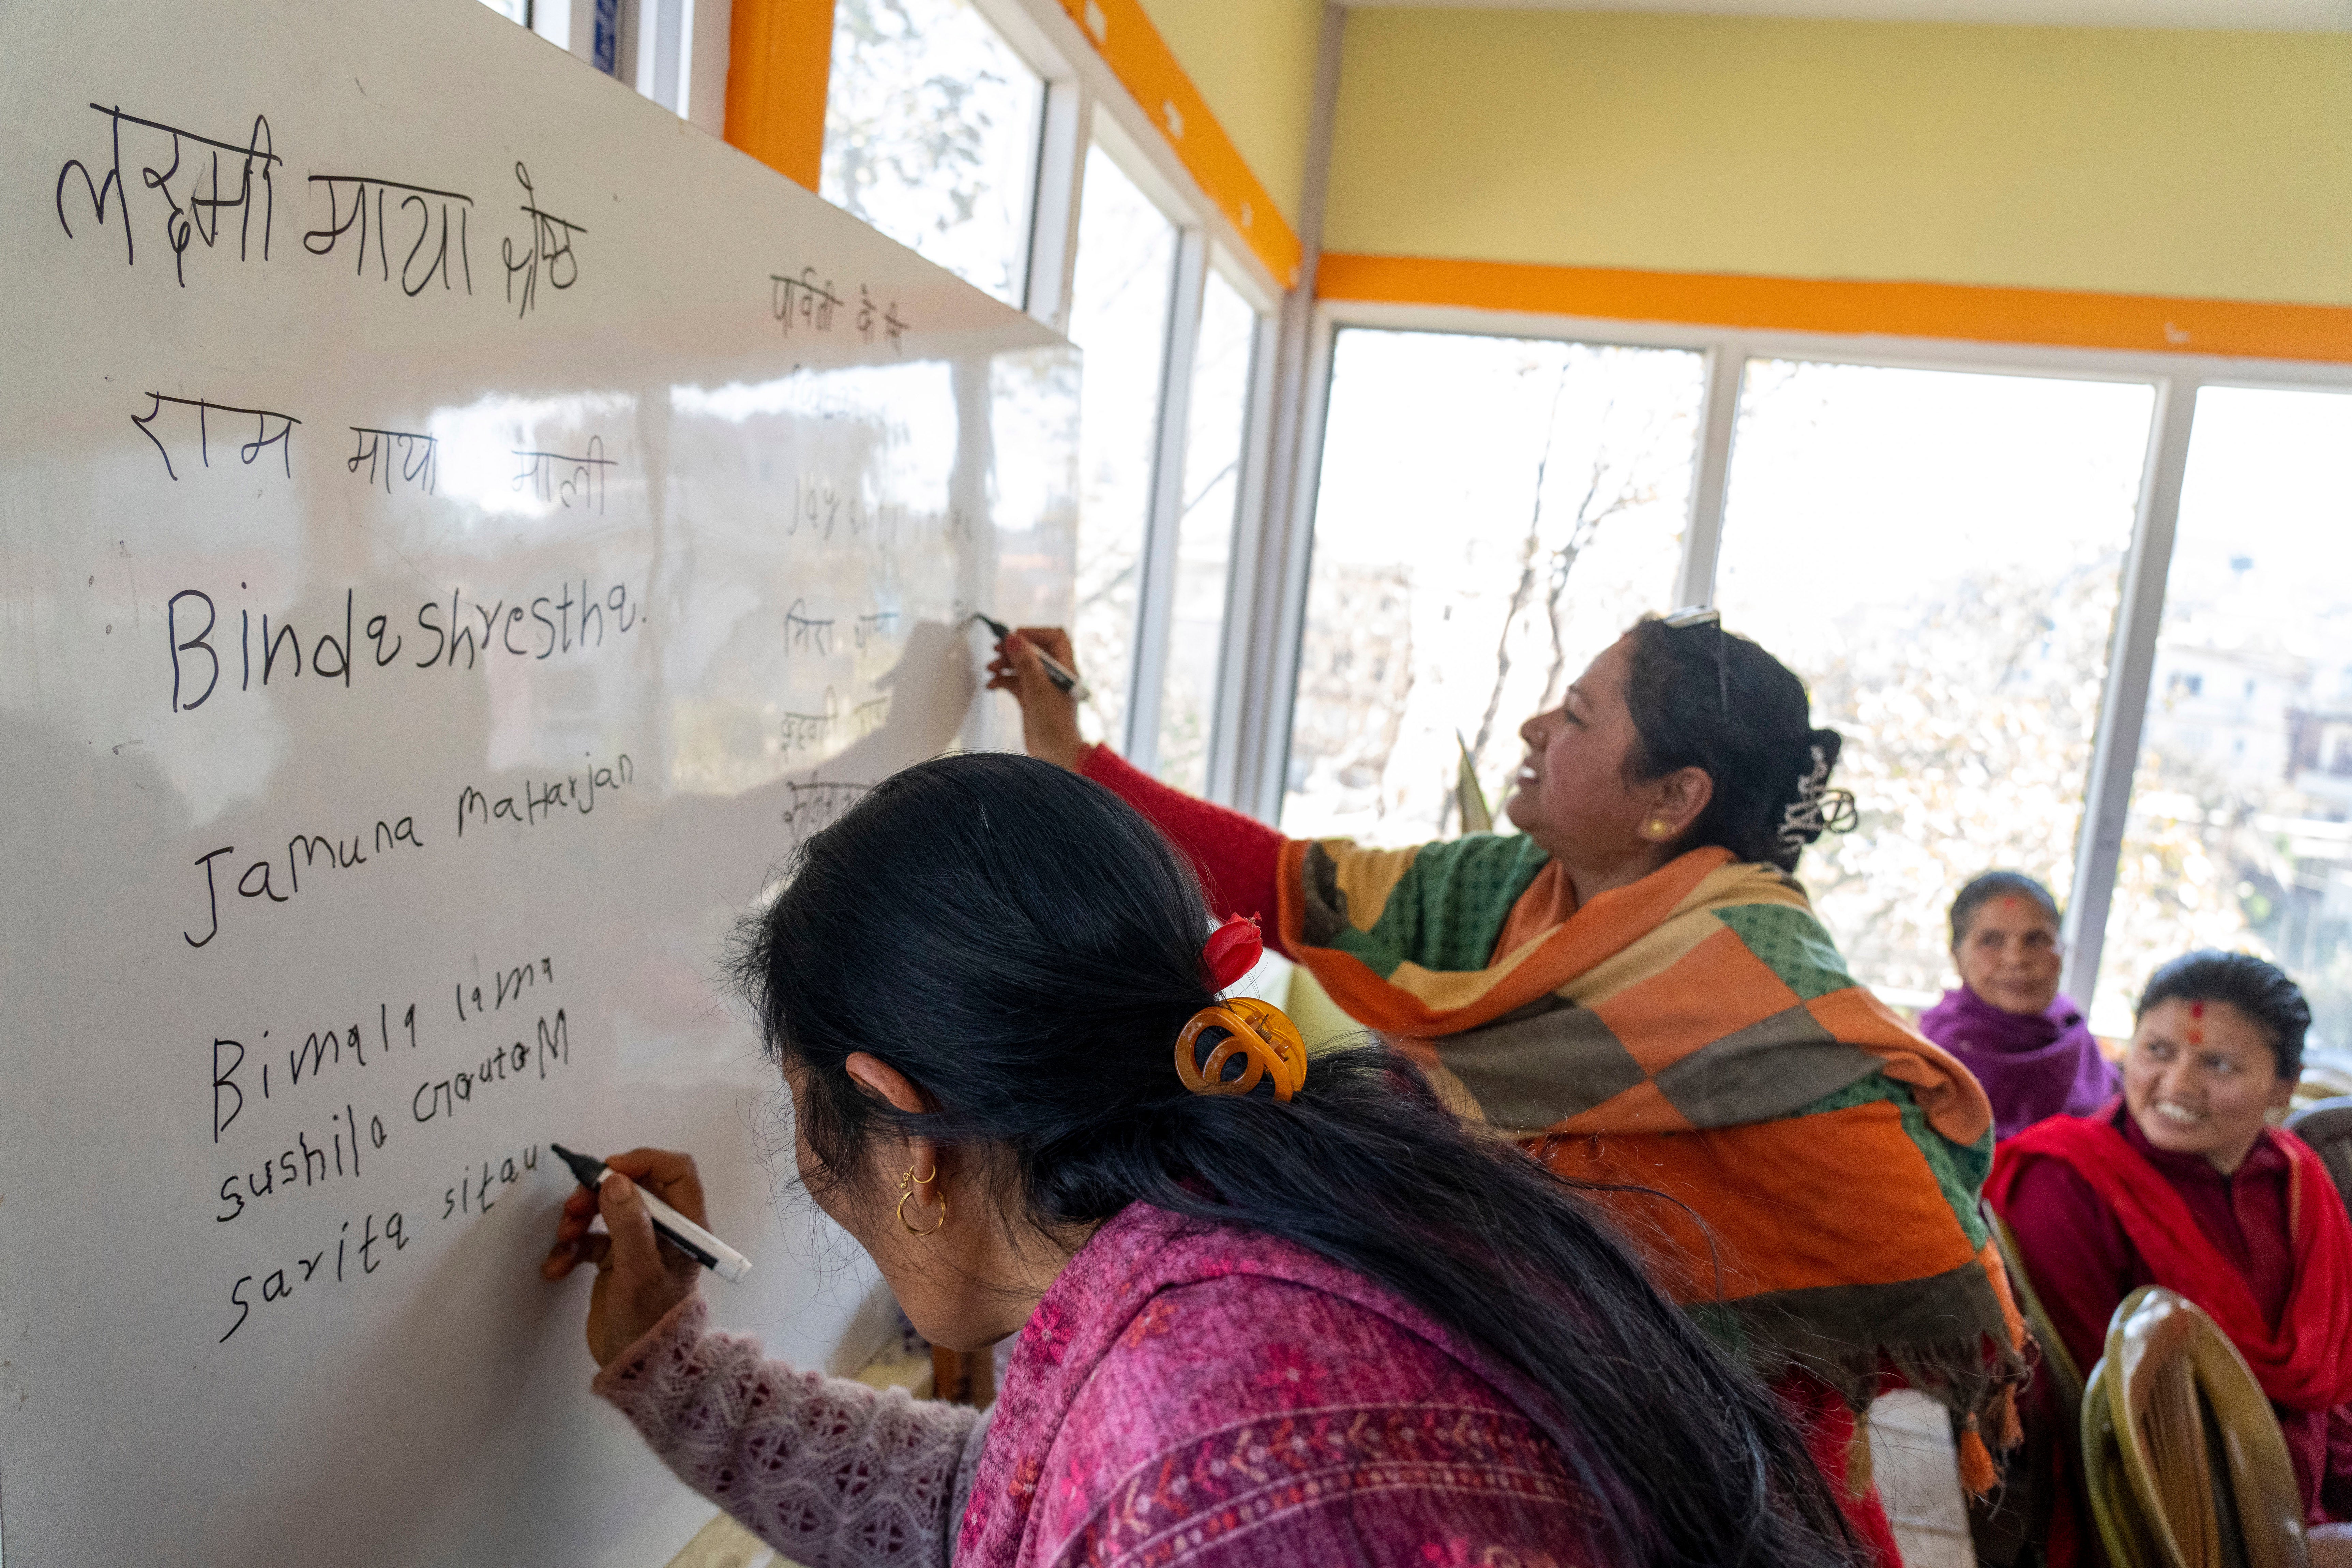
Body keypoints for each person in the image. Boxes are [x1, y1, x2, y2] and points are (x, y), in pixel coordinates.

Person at [543, 753, 1867, 1568]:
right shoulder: (1275, 1233)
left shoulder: (1197, 1410)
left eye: (809, 1116)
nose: (818, 1177)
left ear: (910, 1130)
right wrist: (685, 1373)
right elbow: (1009, 1500)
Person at [987, 613, 2028, 1565]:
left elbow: (1906, 1229)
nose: (1534, 727)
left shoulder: (1751, 969)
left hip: (1757, 1454)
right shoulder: (1513, 887)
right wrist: (1071, 752)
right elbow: (1287, 883)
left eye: (1575, 716)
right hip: (1588, 1392)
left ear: (1672, 800)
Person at [1988, 951, 2352, 1547]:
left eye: (2218, 1064)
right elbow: (2114, 1424)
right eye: (2157, 1050)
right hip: (2174, 1519)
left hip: (2309, 1490)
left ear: (2282, 1088)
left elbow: (2333, 1386)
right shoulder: (2068, 1185)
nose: (2177, 1084)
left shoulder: (2295, 1181)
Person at [1917, 872, 2117, 1141]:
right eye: (1991, 941)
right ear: (1957, 956)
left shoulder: (2072, 1032)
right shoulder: (1936, 1057)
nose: (2016, 959)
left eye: (2035, 940)